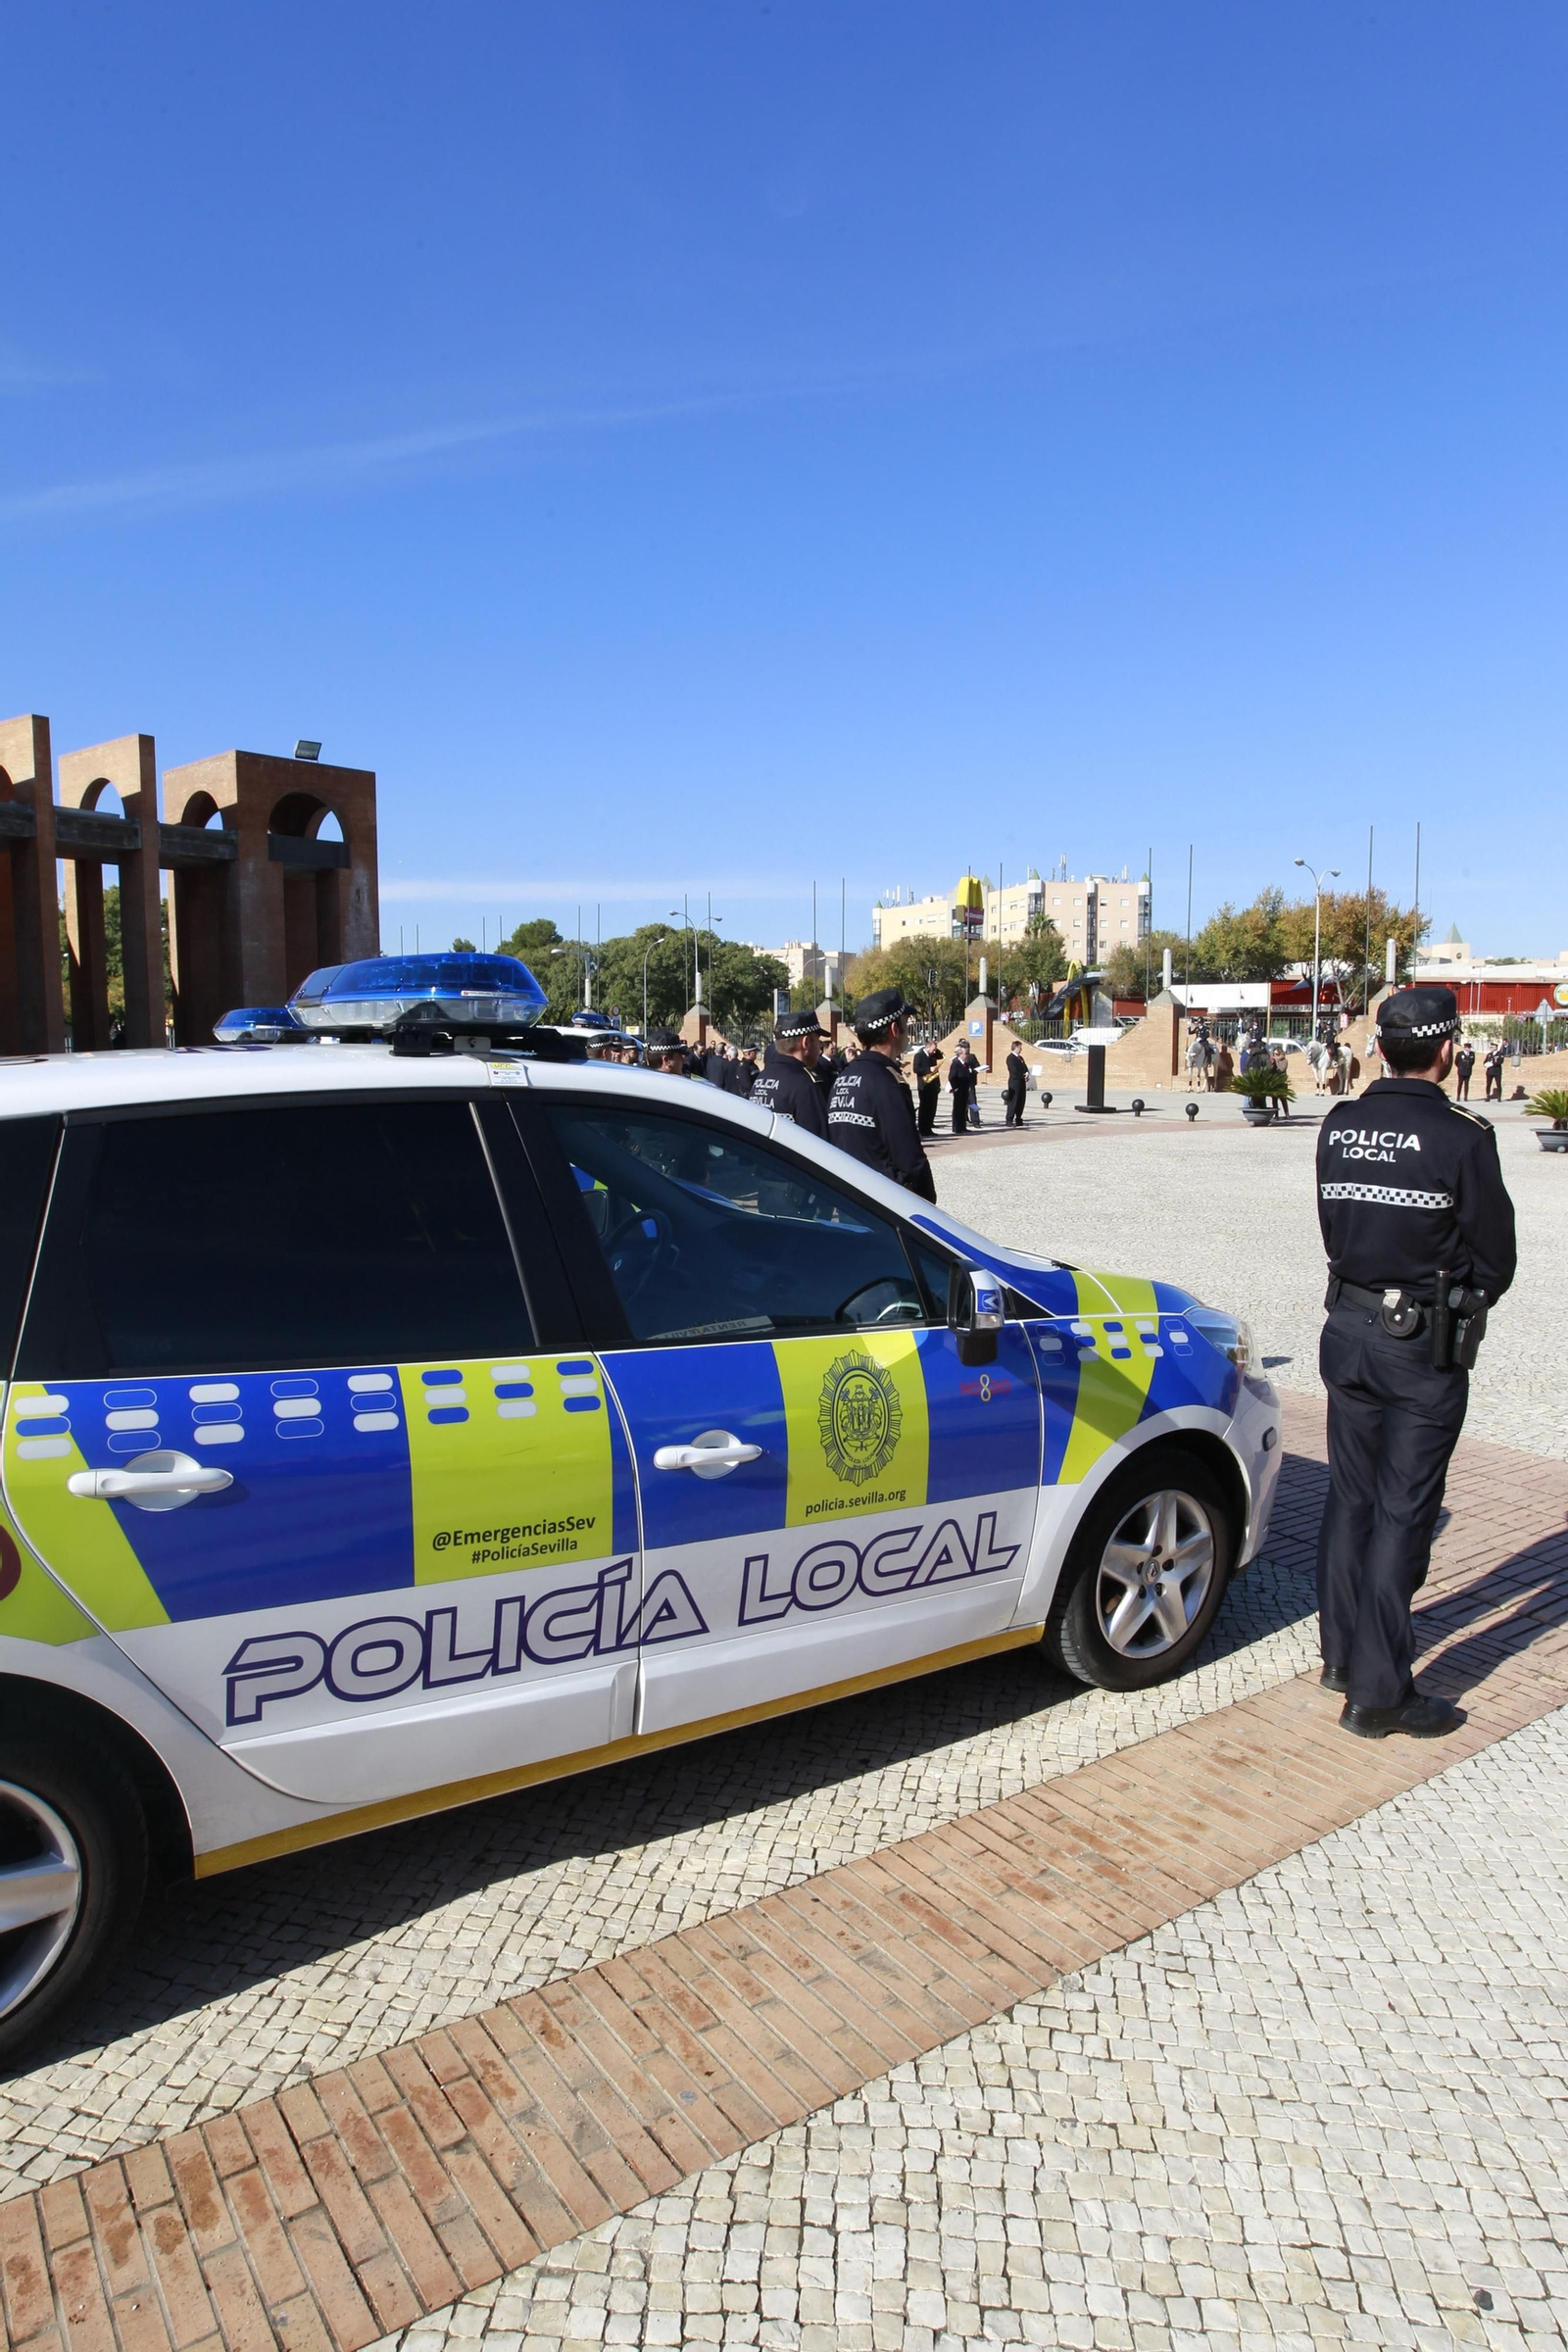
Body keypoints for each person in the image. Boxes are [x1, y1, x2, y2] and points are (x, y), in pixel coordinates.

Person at [1314, 985, 1516, 1740]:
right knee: (1404, 1512)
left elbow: (1337, 1222)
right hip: (1417, 1347)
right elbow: (1496, 1257)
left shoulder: (1340, 1124)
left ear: (1382, 1047)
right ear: (1445, 1049)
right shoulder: (1462, 1135)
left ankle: (1341, 1654)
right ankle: (1377, 1692)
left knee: (1351, 1499)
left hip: (1348, 1330)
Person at [827, 989, 937, 1200]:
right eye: (906, 1023)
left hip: (848, 1198)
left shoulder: (844, 1076)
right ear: (895, 1028)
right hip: (883, 1202)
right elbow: (909, 1157)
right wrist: (926, 1199)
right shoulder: (887, 1081)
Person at [749, 1007, 830, 1138]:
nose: (820, 1048)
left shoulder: (762, 1077)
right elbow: (818, 1142)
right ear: (806, 1042)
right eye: (817, 1041)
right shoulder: (805, 1084)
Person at [912, 1039, 944, 1136]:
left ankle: (929, 1127)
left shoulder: (933, 1055)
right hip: (924, 1085)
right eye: (933, 1050)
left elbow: (940, 1055)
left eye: (935, 1050)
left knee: (932, 1107)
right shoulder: (919, 1055)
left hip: (933, 1085)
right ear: (927, 1047)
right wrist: (928, 1069)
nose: (934, 1052)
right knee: (924, 1108)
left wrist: (935, 1049)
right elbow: (916, 1069)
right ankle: (922, 1129)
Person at [949, 1043, 978, 1133]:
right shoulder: (956, 1063)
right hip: (959, 1089)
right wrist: (955, 1088)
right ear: (960, 1054)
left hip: (965, 1089)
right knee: (957, 1108)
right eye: (966, 1054)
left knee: (963, 1108)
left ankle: (963, 1126)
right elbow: (951, 1077)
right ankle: (956, 1127)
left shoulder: (966, 1064)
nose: (967, 1055)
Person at [1004, 1041, 1029, 1127]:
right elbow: (1013, 1070)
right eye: (1020, 1047)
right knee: (1013, 1101)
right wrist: (1022, 1075)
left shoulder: (1020, 1058)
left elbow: (1025, 1067)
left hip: (1021, 1082)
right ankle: (1009, 1120)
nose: (1021, 1049)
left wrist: (1027, 1074)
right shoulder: (1010, 1058)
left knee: (1021, 1101)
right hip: (1014, 1082)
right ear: (1016, 1047)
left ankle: (1019, 1118)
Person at [1453, 1036, 1475, 1102]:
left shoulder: (1472, 1054)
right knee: (1460, 1084)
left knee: (1466, 1084)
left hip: (1468, 1071)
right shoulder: (1460, 1054)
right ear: (1465, 1048)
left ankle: (1465, 1097)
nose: (1469, 1049)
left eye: (1469, 1048)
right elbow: (1456, 1062)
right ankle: (1458, 1096)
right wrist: (1460, 1067)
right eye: (1468, 1048)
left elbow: (1472, 1062)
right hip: (1461, 1071)